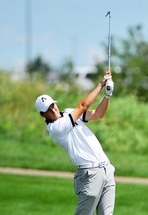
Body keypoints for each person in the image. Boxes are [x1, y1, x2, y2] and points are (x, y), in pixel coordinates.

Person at [35, 70, 115, 215]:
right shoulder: (56, 128)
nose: (53, 109)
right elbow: (83, 105)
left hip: (106, 169)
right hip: (90, 174)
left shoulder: (68, 112)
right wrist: (100, 84)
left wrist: (107, 95)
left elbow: (98, 114)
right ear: (43, 114)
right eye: (48, 109)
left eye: (52, 105)